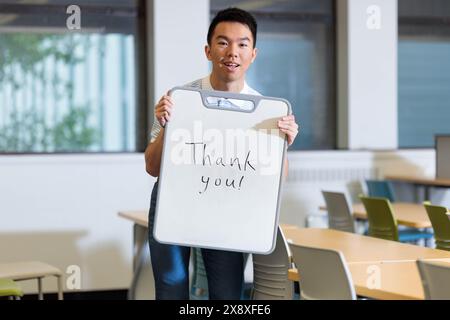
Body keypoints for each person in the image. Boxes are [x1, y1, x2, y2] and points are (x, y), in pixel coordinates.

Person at [144, 7, 299, 300]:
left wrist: (282, 146)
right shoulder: (179, 99)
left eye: (242, 44)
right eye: (223, 42)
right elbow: (152, 167)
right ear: (208, 50)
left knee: (227, 293)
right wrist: (167, 126)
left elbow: (275, 183)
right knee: (171, 287)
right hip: (174, 203)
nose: (233, 52)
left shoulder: (264, 111)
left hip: (227, 209)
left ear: (253, 54)